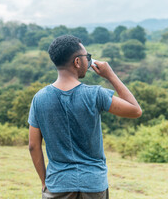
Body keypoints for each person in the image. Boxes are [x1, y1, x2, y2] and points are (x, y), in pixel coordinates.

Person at [28, 35, 142, 199]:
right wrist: (110, 75)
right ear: (77, 62)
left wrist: (45, 182)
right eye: (87, 57)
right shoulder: (95, 94)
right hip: (93, 183)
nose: (89, 61)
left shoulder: (39, 98)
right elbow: (135, 110)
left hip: (58, 183)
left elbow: (33, 146)